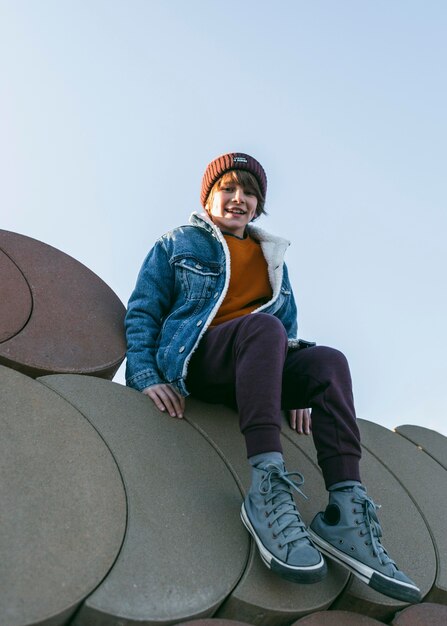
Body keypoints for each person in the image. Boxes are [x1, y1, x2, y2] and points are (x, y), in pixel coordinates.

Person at [125, 152, 421, 602]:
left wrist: (293, 393)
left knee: (329, 361)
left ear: (258, 205)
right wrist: (146, 376)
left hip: (255, 359)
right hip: (199, 360)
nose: (239, 198)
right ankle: (266, 487)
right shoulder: (178, 243)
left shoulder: (273, 258)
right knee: (266, 329)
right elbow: (144, 310)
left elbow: (289, 328)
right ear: (208, 197)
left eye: (249, 192)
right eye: (228, 188)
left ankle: (346, 512)